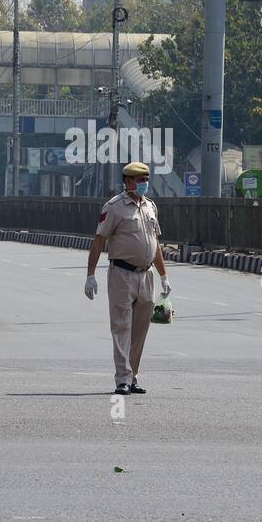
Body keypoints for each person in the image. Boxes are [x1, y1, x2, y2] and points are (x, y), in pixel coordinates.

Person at [84, 162, 171, 395]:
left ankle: (133, 377)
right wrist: (90, 274)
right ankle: (122, 379)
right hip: (122, 274)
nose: (144, 184)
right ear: (128, 182)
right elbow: (99, 240)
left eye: (146, 179)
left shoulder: (150, 207)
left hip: (147, 275)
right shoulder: (114, 207)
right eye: (140, 180)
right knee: (122, 326)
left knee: (140, 330)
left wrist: (164, 276)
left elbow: (155, 245)